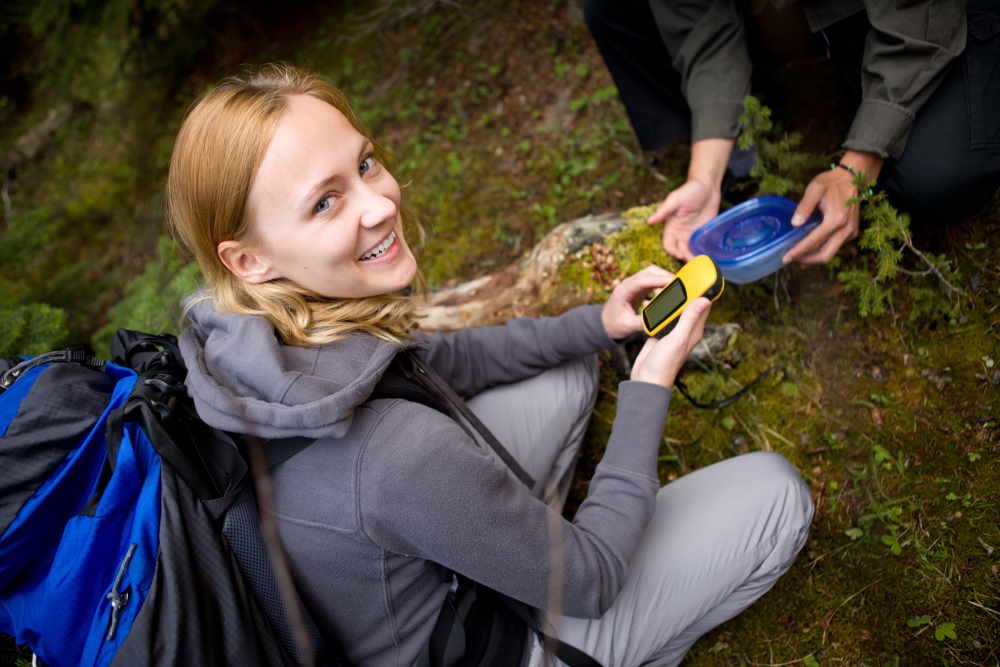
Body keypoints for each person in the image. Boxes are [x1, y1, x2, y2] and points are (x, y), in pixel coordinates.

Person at [167, 63, 813, 666]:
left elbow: (451, 359)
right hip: (496, 644)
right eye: (325, 202)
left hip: (398, 559)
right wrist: (648, 384)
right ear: (248, 259)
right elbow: (590, 579)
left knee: (567, 368)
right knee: (778, 494)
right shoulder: (396, 455)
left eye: (365, 163)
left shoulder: (257, 343)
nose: (380, 203)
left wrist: (599, 324)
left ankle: (511, 543)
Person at [584, 0, 1000, 265]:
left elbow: (918, 26)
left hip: (921, 16)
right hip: (801, 16)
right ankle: (744, 150)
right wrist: (704, 177)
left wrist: (856, 167)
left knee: (939, 176)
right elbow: (703, 32)